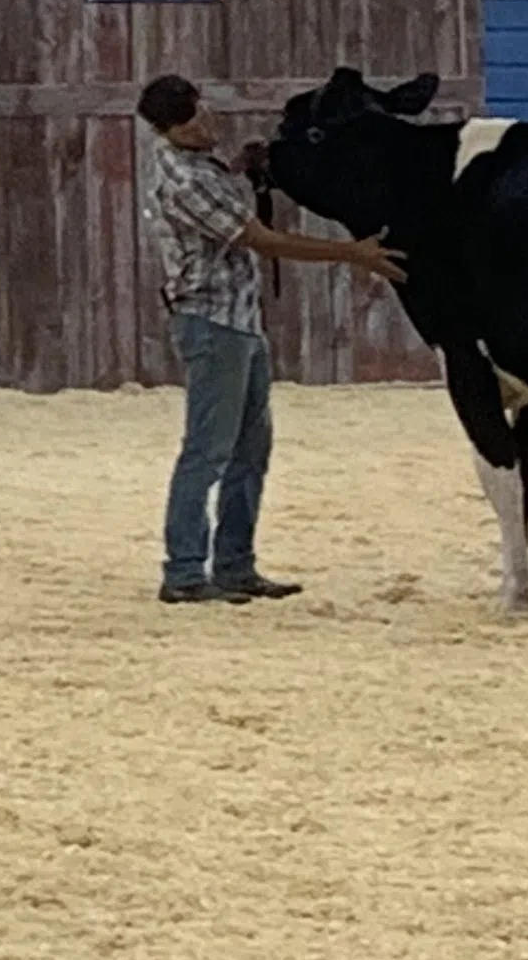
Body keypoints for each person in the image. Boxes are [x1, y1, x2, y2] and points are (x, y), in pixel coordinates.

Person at [135, 72, 406, 604]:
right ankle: (186, 571)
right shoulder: (189, 184)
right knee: (208, 451)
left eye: (203, 110)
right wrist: (351, 253)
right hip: (215, 321)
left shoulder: (191, 165)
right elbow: (263, 240)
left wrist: (240, 167)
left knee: (249, 449)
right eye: (194, 119)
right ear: (172, 129)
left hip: (235, 318)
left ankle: (234, 564)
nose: (206, 122)